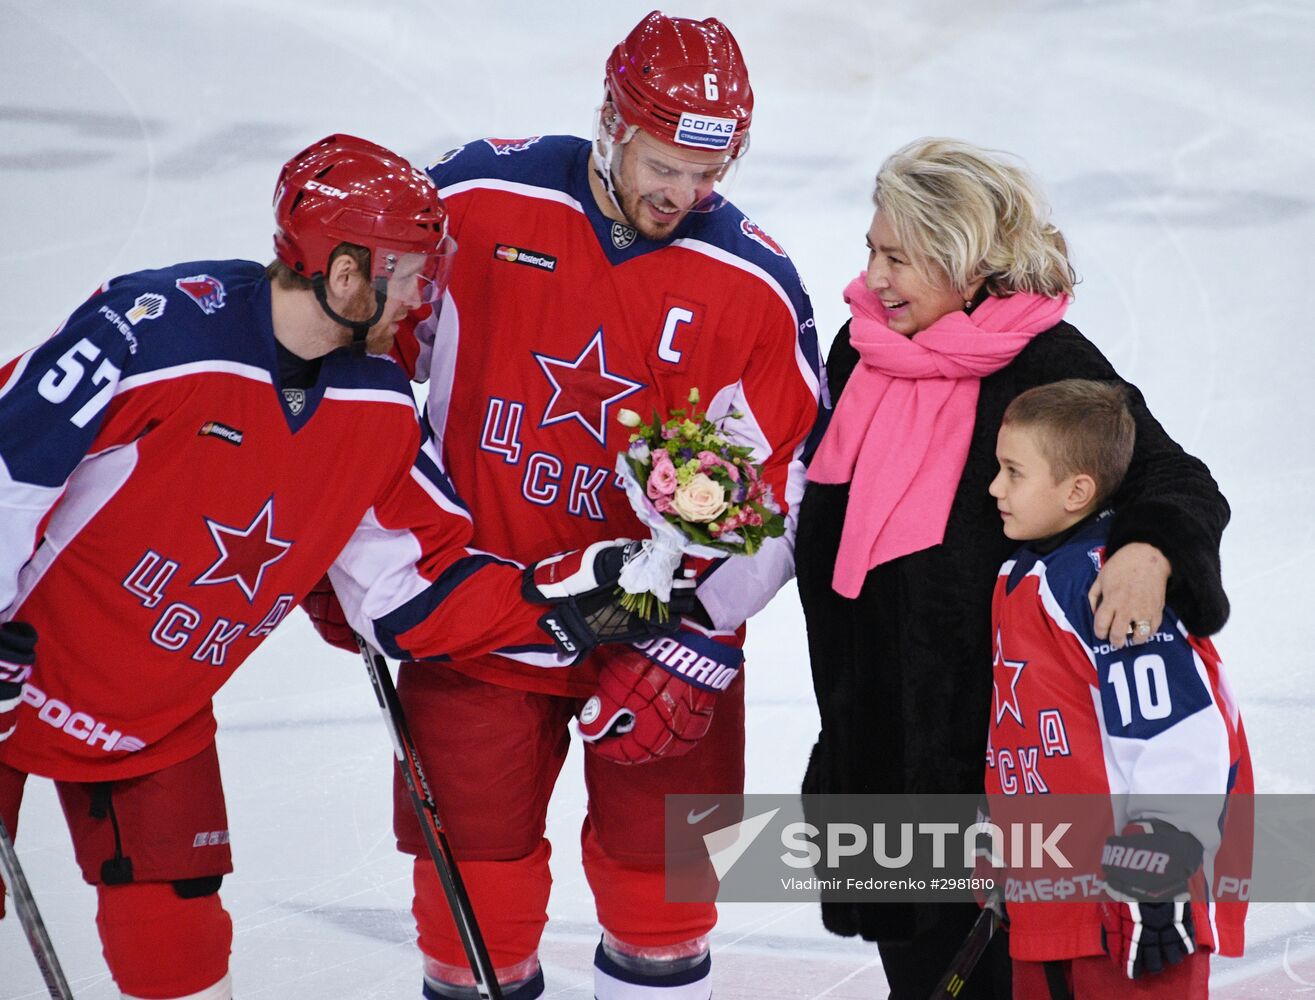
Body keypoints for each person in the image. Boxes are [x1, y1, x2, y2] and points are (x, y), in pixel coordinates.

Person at [0, 134, 663, 1000]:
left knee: (181, 956)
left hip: (150, 715)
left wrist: (571, 603)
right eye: (413, 272)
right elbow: (10, 469)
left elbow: (411, 588)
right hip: (12, 677)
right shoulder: (154, 329)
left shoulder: (377, 406)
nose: (426, 296)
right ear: (346, 275)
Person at [309, 11, 824, 1000]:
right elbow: (351, 368)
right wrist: (346, 549)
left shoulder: (754, 285)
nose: (684, 195)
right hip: (480, 613)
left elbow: (791, 484)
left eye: (707, 175)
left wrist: (701, 634)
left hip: (656, 633)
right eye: (662, 164)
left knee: (664, 916)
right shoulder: (473, 200)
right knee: (470, 929)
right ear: (609, 123)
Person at [795, 138, 1231, 1000]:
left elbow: (1175, 479)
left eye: (899, 258)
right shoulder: (862, 351)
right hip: (872, 744)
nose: (872, 278)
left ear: (965, 263)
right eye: (870, 250)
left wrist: (1148, 548)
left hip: (989, 775)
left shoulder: (1046, 363)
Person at [984, 379, 1249, 998]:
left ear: (1076, 489)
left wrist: (1156, 869)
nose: (995, 487)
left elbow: (1177, 733)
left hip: (1129, 910)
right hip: (1049, 902)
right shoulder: (1021, 573)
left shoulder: (1108, 586)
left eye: (1013, 472)